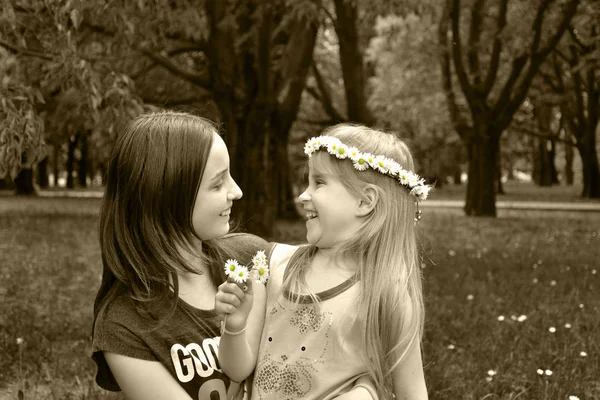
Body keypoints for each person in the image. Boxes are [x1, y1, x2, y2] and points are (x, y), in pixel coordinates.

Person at [216, 123, 429, 399]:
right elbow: (236, 369)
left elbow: (412, 391)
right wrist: (235, 326)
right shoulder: (274, 265)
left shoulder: (385, 294)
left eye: (319, 183)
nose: (303, 195)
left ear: (365, 202)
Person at [91, 111, 272, 400]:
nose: (236, 191)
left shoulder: (251, 258)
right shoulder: (124, 326)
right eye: (217, 183)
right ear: (167, 198)